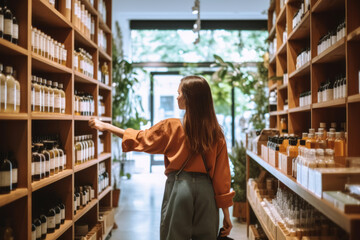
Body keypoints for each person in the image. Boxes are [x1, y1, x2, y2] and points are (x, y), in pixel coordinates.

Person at [89, 75, 234, 240]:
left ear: (189, 99)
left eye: (180, 93)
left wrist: (107, 126)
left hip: (180, 188)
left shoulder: (172, 127)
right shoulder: (216, 133)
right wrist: (226, 215)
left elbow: (141, 138)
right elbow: (222, 177)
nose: (177, 96)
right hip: (206, 193)